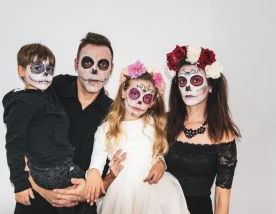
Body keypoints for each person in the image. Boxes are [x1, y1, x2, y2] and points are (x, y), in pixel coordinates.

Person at [85, 61, 189, 214]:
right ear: (123, 92)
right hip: (121, 191)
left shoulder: (152, 125)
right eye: (134, 94)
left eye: (146, 98)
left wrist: (160, 163)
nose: (139, 101)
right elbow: (97, 161)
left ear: (152, 103)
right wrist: (93, 172)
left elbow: (156, 154)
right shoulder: (106, 129)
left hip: (152, 188)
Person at [2, 43, 85, 214]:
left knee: (85, 187)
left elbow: (67, 79)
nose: (45, 74)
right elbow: (13, 144)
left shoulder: (48, 92)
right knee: (82, 190)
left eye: (50, 69)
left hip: (63, 165)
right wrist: (20, 183)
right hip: (47, 170)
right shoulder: (22, 103)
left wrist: (97, 90)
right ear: (21, 71)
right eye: (37, 68)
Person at [164, 44, 241, 214]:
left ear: (211, 86)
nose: (188, 88)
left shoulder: (223, 134)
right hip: (161, 207)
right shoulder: (165, 122)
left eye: (196, 80)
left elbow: (222, 196)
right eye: (182, 81)